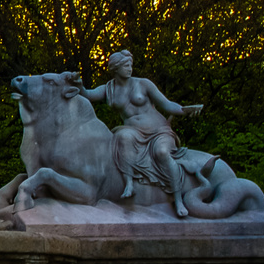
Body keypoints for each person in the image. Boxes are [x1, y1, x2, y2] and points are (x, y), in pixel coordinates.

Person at [78, 49, 203, 217]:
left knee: (162, 152)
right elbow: (87, 94)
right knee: (122, 137)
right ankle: (129, 184)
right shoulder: (109, 89)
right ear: (116, 68)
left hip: (158, 131)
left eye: (130, 65)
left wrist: (184, 110)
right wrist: (77, 84)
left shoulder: (143, 84)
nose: (130, 69)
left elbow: (166, 104)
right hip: (133, 131)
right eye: (125, 66)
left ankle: (178, 199)